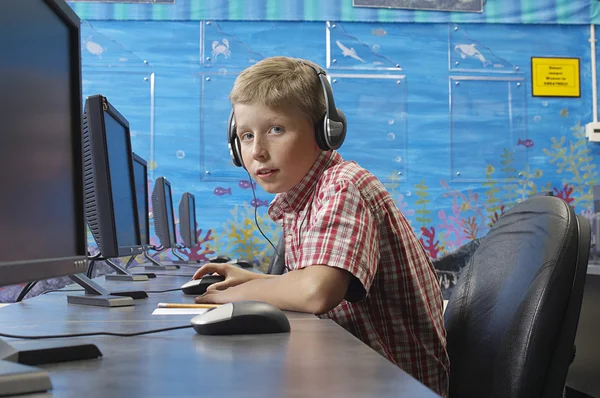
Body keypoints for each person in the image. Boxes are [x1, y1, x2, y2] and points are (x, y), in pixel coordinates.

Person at [193, 56, 449, 397]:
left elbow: (317, 291)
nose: (257, 151)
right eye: (246, 135)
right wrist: (255, 280)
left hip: (393, 383)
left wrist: (234, 297)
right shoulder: (304, 198)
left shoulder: (342, 186)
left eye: (276, 130)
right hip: (355, 372)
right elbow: (317, 279)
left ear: (325, 132)